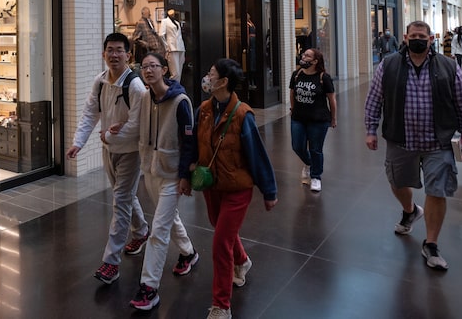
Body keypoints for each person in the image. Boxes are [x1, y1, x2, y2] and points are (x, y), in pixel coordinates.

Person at [364, 21, 462, 271]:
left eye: (421, 36)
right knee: (397, 182)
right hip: (400, 139)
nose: (417, 39)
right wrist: (370, 129)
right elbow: (374, 99)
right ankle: (410, 210)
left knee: (437, 190)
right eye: (413, 35)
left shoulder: (448, 66)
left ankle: (431, 244)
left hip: (439, 142)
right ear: (405, 38)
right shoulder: (389, 64)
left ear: (430, 38)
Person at [196, 58, 277, 319]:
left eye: (211, 74)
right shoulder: (205, 110)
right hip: (212, 185)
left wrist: (269, 191)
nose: (207, 78)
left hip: (237, 188)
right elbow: (195, 144)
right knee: (219, 227)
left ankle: (221, 305)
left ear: (223, 82)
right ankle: (242, 261)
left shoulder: (243, 114)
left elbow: (257, 154)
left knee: (220, 242)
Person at [67, 32, 149, 284]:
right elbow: (90, 112)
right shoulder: (100, 81)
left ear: (128, 55)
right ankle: (142, 230)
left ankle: (110, 262)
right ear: (103, 54)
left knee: (121, 201)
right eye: (109, 50)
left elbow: (137, 125)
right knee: (123, 197)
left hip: (129, 153)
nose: (114, 55)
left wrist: (109, 136)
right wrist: (78, 142)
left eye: (119, 50)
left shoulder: (135, 86)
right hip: (109, 150)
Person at [129, 52, 199, 311]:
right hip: (150, 169)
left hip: (171, 174)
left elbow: (189, 141)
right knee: (168, 218)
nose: (148, 71)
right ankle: (189, 252)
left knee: (158, 230)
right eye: (144, 67)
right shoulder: (146, 97)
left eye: (153, 66)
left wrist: (185, 177)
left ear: (164, 70)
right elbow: (136, 126)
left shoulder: (181, 101)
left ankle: (149, 288)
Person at [289, 48, 337, 192]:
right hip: (298, 118)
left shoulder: (324, 77)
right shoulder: (296, 74)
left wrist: (333, 118)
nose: (303, 57)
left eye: (307, 56)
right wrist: (293, 109)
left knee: (316, 149)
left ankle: (316, 177)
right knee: (297, 146)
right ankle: (309, 164)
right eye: (303, 54)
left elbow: (332, 100)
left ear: (315, 61)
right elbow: (292, 93)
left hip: (318, 119)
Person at [159, 9, 186, 82]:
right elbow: (161, 34)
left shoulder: (177, 22)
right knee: (175, 73)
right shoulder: (165, 21)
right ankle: (171, 88)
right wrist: (166, 46)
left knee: (179, 72)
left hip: (181, 48)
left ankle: (178, 90)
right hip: (172, 48)